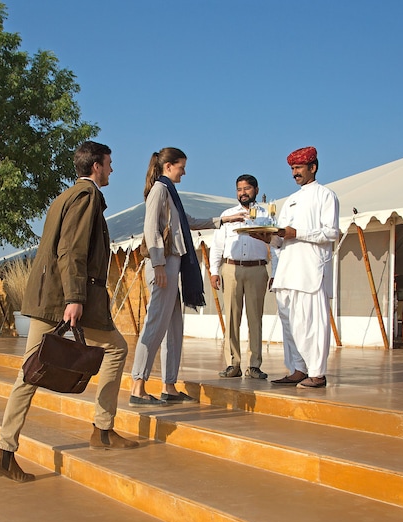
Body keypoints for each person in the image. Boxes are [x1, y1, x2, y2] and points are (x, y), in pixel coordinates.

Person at [0, 141, 138, 483]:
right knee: (115, 348)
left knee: (29, 372)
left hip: (51, 297)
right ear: (96, 166)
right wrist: (74, 297)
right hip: (66, 299)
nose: (112, 169)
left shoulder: (64, 197)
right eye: (109, 163)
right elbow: (71, 251)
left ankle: (5, 452)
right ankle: (101, 431)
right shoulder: (86, 198)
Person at [129, 147, 244, 406]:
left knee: (173, 328)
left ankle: (169, 386)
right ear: (168, 166)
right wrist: (158, 265)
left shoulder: (170, 191)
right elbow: (151, 228)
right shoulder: (159, 189)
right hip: (163, 264)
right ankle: (138, 385)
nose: (184, 171)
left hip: (172, 264)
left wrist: (225, 220)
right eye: (181, 166)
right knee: (155, 324)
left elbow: (187, 221)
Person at [249, 146, 339, 389]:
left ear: (313, 167)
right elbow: (281, 239)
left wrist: (295, 233)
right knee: (290, 325)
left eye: (299, 168)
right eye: (292, 169)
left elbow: (331, 233)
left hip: (310, 270)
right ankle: (298, 369)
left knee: (311, 324)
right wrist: (267, 237)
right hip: (287, 271)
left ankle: (317, 373)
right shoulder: (290, 201)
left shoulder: (326, 196)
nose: (295, 173)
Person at [209, 174, 275, 379]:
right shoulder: (228, 215)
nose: (242, 193)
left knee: (255, 318)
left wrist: (277, 272)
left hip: (257, 269)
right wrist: (214, 271)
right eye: (239, 189)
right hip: (231, 269)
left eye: (246, 189)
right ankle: (233, 363)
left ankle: (254, 364)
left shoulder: (267, 214)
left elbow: (275, 244)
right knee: (232, 317)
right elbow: (218, 245)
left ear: (255, 189)